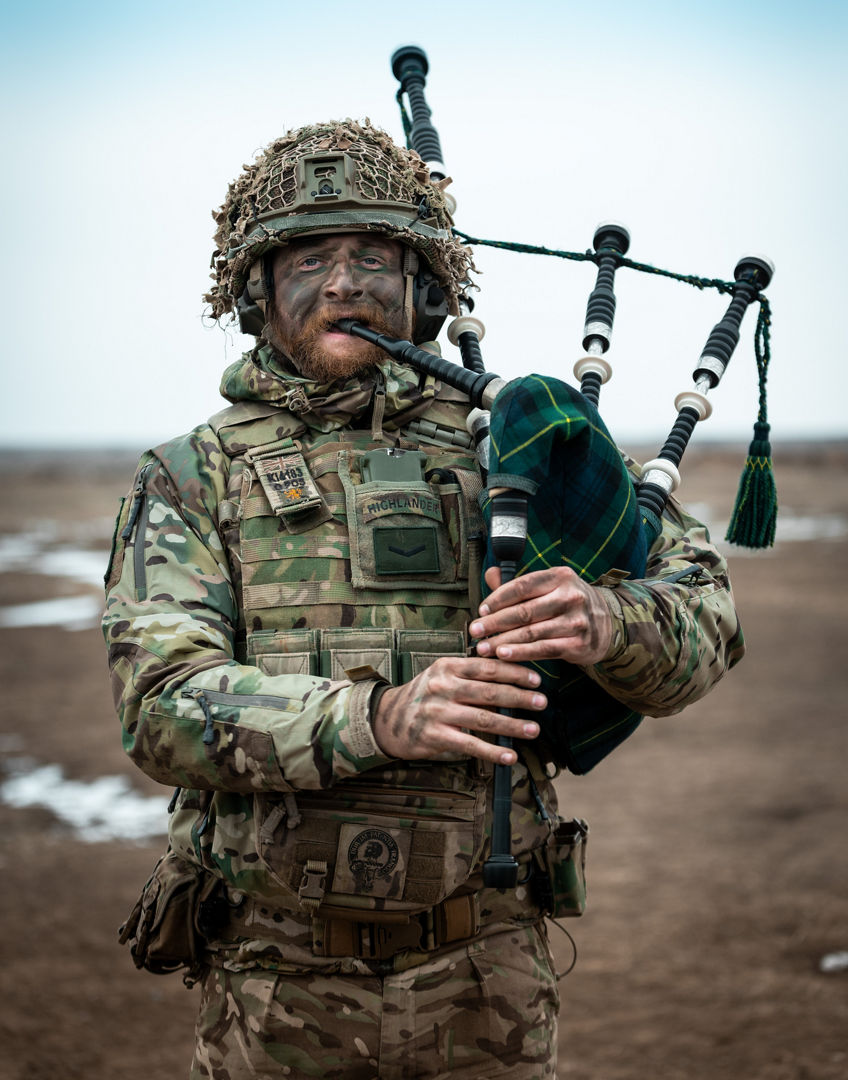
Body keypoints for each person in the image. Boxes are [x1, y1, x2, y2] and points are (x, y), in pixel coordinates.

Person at [103, 119, 744, 1080]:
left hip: (486, 979)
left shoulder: (522, 444)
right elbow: (160, 708)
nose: (344, 283)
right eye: (308, 257)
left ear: (428, 288)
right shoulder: (194, 474)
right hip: (274, 984)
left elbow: (706, 624)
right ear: (255, 292)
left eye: (375, 256)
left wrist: (605, 619)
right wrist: (382, 718)